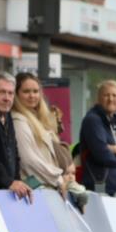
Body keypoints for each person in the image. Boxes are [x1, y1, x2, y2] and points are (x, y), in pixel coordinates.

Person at [11, 72, 86, 205]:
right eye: (26, 91)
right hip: (33, 191)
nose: (32, 96)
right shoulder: (18, 121)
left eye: (35, 91)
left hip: (45, 189)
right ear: (16, 94)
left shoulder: (38, 120)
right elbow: (28, 160)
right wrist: (58, 178)